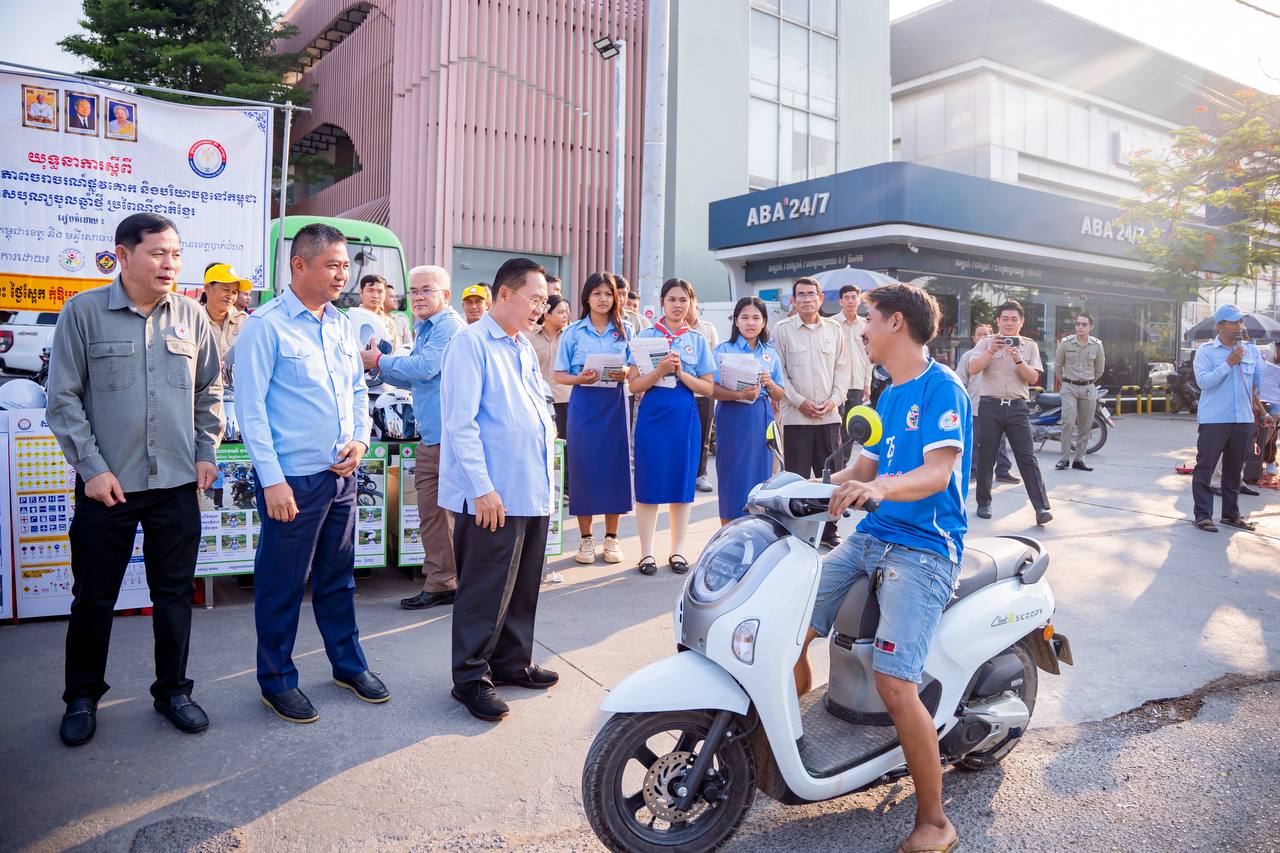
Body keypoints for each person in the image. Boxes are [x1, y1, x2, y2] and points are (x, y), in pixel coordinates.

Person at [793, 282, 968, 853]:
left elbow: (938, 474)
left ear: (895, 322)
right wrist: (800, 489)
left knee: (895, 683)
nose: (861, 327)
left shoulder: (943, 388)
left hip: (925, 547)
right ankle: (790, 743)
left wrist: (881, 488)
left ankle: (935, 822)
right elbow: (862, 469)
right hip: (873, 536)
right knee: (789, 627)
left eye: (868, 318)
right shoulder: (888, 393)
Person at [46, 212, 223, 746]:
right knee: (93, 597)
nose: (170, 264)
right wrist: (92, 469)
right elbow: (63, 398)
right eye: (158, 253)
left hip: (176, 484)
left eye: (176, 254)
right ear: (123, 255)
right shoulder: (83, 313)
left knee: (174, 595)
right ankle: (81, 697)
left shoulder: (192, 316)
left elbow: (209, 390)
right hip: (109, 487)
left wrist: (206, 450)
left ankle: (173, 691)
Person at [234, 223, 388, 724]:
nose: (342, 274)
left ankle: (348, 665)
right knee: (282, 585)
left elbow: (358, 390)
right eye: (332, 265)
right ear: (298, 265)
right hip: (292, 482)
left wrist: (361, 440)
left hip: (341, 474)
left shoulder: (341, 324)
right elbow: (251, 410)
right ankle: (277, 680)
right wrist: (272, 480)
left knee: (338, 579)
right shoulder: (265, 326)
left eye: (345, 265)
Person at [440, 257, 559, 722]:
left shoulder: (521, 346)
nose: (540, 309)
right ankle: (470, 677)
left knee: (523, 584)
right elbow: (461, 423)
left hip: (529, 486)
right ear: (505, 294)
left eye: (545, 302)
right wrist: (482, 488)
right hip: (493, 493)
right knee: (485, 588)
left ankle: (512, 661)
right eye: (535, 299)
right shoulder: (471, 344)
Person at [362, 265, 466, 609]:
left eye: (426, 290)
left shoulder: (447, 326)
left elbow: (423, 368)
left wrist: (379, 359)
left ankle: (448, 582)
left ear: (445, 295)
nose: (418, 297)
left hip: (450, 440)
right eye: (414, 291)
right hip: (436, 437)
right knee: (433, 516)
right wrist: (378, 366)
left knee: (442, 515)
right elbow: (415, 379)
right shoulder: (427, 327)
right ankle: (443, 582)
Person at [627, 278, 716, 576]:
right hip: (652, 417)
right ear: (662, 303)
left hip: (684, 417)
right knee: (649, 481)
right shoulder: (646, 337)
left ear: (691, 304)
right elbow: (634, 384)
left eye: (683, 300)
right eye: (672, 299)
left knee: (682, 482)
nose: (678, 305)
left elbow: (708, 387)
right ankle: (646, 553)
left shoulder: (697, 340)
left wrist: (680, 373)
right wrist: (659, 371)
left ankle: (677, 550)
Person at [553, 273, 633, 566]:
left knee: (614, 469)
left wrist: (625, 372)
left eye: (608, 293)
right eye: (597, 293)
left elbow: (636, 368)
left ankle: (611, 537)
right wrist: (580, 378)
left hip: (614, 403)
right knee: (583, 468)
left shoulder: (625, 330)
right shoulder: (573, 332)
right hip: (584, 404)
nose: (603, 299)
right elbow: (559, 374)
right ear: (586, 297)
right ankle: (586, 538)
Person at [773, 276, 851, 547]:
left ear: (820, 298)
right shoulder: (782, 330)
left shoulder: (834, 330)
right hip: (797, 418)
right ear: (794, 301)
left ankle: (829, 531)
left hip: (829, 417)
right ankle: (796, 531)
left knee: (831, 476)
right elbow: (780, 374)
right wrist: (799, 402)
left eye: (811, 294)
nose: (807, 299)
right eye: (801, 295)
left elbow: (843, 370)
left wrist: (834, 400)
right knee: (797, 478)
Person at [966, 300, 1052, 525]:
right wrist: (990, 351)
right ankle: (984, 503)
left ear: (1021, 322)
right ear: (997, 321)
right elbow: (972, 368)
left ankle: (1041, 507)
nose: (1009, 323)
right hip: (990, 406)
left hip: (1017, 407)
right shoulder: (986, 342)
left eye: (1014, 319)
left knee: (1027, 457)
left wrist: (1018, 360)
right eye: (1005, 318)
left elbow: (1033, 378)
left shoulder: (1029, 346)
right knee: (986, 456)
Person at [1191, 304, 1272, 532]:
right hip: (1214, 420)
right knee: (1205, 468)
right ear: (1220, 326)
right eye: (1234, 322)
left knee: (1235, 470)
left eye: (1240, 322)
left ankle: (1230, 514)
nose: (1239, 326)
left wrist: (1264, 412)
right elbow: (1204, 382)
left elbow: (1259, 386)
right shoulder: (1206, 351)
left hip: (1243, 420)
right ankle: (1203, 515)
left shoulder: (1251, 351)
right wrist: (1229, 363)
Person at [710, 297, 785, 524]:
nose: (750, 323)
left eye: (756, 318)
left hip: (761, 416)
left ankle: (757, 527)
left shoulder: (770, 353)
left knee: (760, 474)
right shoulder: (723, 350)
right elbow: (711, 389)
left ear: (764, 322)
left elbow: (779, 394)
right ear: (736, 320)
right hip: (732, 415)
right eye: (744, 317)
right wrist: (740, 394)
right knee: (732, 474)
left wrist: (769, 383)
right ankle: (728, 529)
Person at [532, 292, 573, 583]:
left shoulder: (569, 337)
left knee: (566, 449)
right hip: (540, 401)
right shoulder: (530, 337)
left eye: (567, 311)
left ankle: (565, 488)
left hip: (566, 398)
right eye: (560, 311)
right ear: (546, 314)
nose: (565, 316)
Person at [955, 325, 1015, 481]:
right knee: (975, 441)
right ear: (973, 338)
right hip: (975, 406)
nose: (982, 337)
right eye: (979, 334)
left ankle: (1003, 471)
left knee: (1000, 442)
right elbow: (960, 381)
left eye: (986, 334)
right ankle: (974, 470)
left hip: (996, 405)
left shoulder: (1000, 354)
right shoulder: (968, 356)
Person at [1053, 313, 1106, 471]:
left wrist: (1088, 381)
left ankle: (1079, 459)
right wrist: (1066, 382)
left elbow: (1100, 370)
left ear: (1091, 327)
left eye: (1084, 324)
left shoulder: (1097, 345)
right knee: (1068, 422)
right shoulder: (1065, 343)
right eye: (1078, 324)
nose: (1080, 327)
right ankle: (1064, 458)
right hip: (1069, 387)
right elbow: (1057, 366)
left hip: (1088, 388)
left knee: (1085, 425)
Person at [690, 294, 721, 493]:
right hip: (681, 392)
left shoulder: (708, 329)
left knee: (703, 435)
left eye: (688, 303)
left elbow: (715, 360)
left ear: (696, 306)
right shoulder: (667, 330)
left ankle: (701, 474)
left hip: (703, 392)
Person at [357, 274, 406, 349]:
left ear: (385, 294)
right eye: (370, 290)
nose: (375, 296)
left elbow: (395, 350)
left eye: (380, 292)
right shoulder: (350, 318)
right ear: (361, 292)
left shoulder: (389, 322)